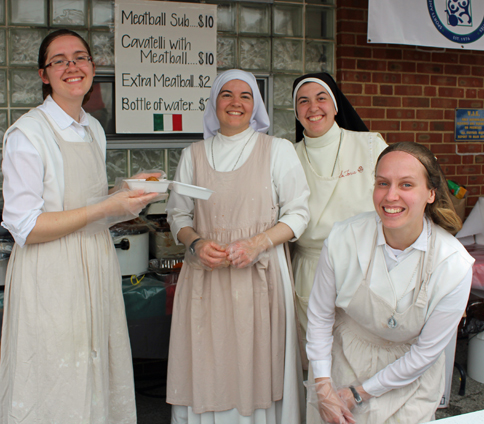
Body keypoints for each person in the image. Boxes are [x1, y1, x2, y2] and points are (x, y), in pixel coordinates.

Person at [0, 29, 159, 424]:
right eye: (60, 60)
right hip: (50, 273)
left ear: (92, 67)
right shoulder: (27, 135)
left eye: (80, 57)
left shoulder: (93, 128)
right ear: (44, 75)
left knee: (94, 372)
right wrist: (108, 205)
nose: (72, 66)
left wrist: (129, 191)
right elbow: (26, 226)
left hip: (95, 267)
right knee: (55, 378)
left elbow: (88, 201)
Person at [166, 69, 311, 423]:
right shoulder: (193, 155)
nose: (235, 102)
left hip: (260, 275)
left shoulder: (277, 151)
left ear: (255, 105)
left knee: (256, 360)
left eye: (245, 95)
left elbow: (299, 213)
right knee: (209, 358)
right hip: (207, 277)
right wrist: (197, 243)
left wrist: (259, 243)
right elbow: (178, 217)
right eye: (226, 94)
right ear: (214, 104)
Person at [306, 142, 474, 423]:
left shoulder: (453, 265)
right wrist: (324, 386)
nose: (390, 196)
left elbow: (424, 354)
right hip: (343, 363)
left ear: (431, 193)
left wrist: (358, 394)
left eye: (406, 185)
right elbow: (320, 317)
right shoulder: (343, 239)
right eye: (383, 183)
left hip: (410, 380)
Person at [290, 73, 388, 345]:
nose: (313, 107)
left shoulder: (369, 146)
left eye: (321, 98)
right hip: (310, 268)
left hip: (366, 264)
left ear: (335, 106)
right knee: (318, 356)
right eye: (303, 101)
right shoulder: (287, 155)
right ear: (296, 112)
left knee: (366, 350)